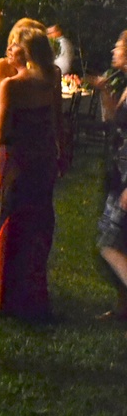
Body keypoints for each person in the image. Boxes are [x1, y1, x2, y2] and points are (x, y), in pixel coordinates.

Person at [0, 27, 62, 320]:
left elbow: (1, 131)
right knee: (37, 224)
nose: (10, 49)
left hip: (15, 160)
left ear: (25, 53)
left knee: (9, 222)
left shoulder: (12, 85)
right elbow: (54, 120)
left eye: (15, 45)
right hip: (42, 160)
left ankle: (5, 296)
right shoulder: (52, 78)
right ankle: (33, 293)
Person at [93, 31, 127, 319]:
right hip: (118, 172)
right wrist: (105, 91)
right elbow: (113, 121)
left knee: (108, 243)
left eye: (118, 45)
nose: (114, 49)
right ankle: (122, 307)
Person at [0, 18, 45, 107]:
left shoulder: (49, 72)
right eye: (12, 42)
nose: (10, 48)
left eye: (16, 43)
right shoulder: (2, 65)